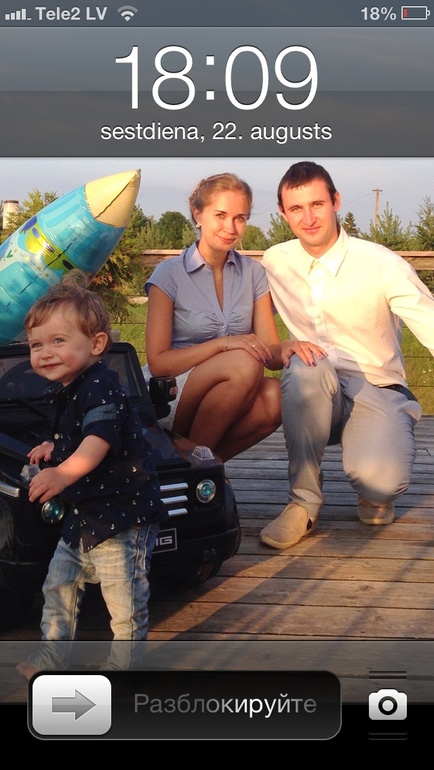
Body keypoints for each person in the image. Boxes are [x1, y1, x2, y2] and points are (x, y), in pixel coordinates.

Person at [260, 160, 434, 550]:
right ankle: (302, 503)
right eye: (296, 208)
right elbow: (244, 316)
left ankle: (374, 482)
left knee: (381, 482)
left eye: (317, 204)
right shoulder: (275, 262)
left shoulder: (381, 263)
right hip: (315, 386)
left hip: (376, 386)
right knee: (303, 367)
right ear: (283, 213)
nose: (308, 218)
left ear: (336, 201)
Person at [16, 271, 166, 678]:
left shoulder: (101, 386)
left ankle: (124, 668)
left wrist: (61, 474)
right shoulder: (69, 387)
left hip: (122, 518)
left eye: (58, 341)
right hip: (85, 516)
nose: (45, 353)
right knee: (58, 586)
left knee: (124, 601)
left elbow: (97, 441)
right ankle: (52, 658)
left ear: (97, 344)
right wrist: (54, 447)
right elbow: (78, 434)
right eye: (36, 345)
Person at [144, 172, 325, 462]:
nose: (230, 228)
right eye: (221, 215)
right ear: (198, 215)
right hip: (169, 393)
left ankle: (199, 462)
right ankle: (196, 465)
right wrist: (224, 344)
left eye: (240, 218)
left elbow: (269, 354)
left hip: (227, 392)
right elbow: (158, 363)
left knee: (275, 396)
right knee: (244, 361)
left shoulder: (253, 274)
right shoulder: (169, 274)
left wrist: (289, 346)